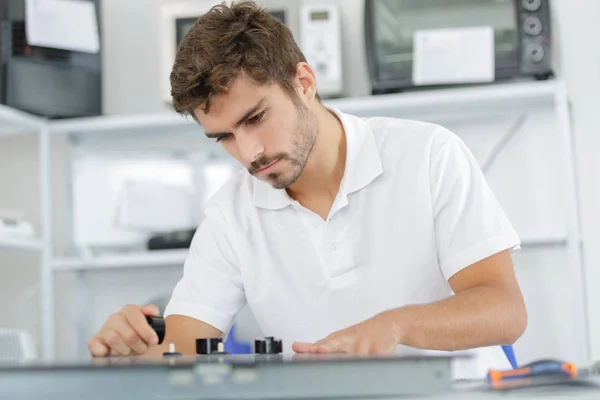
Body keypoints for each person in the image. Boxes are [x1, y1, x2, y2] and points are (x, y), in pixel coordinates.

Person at [87, 0, 527, 379]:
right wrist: (131, 346)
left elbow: (504, 310)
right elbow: (184, 347)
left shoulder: (429, 153)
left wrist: (397, 325)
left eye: (255, 118)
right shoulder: (231, 214)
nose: (248, 153)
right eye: (223, 137)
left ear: (304, 82)